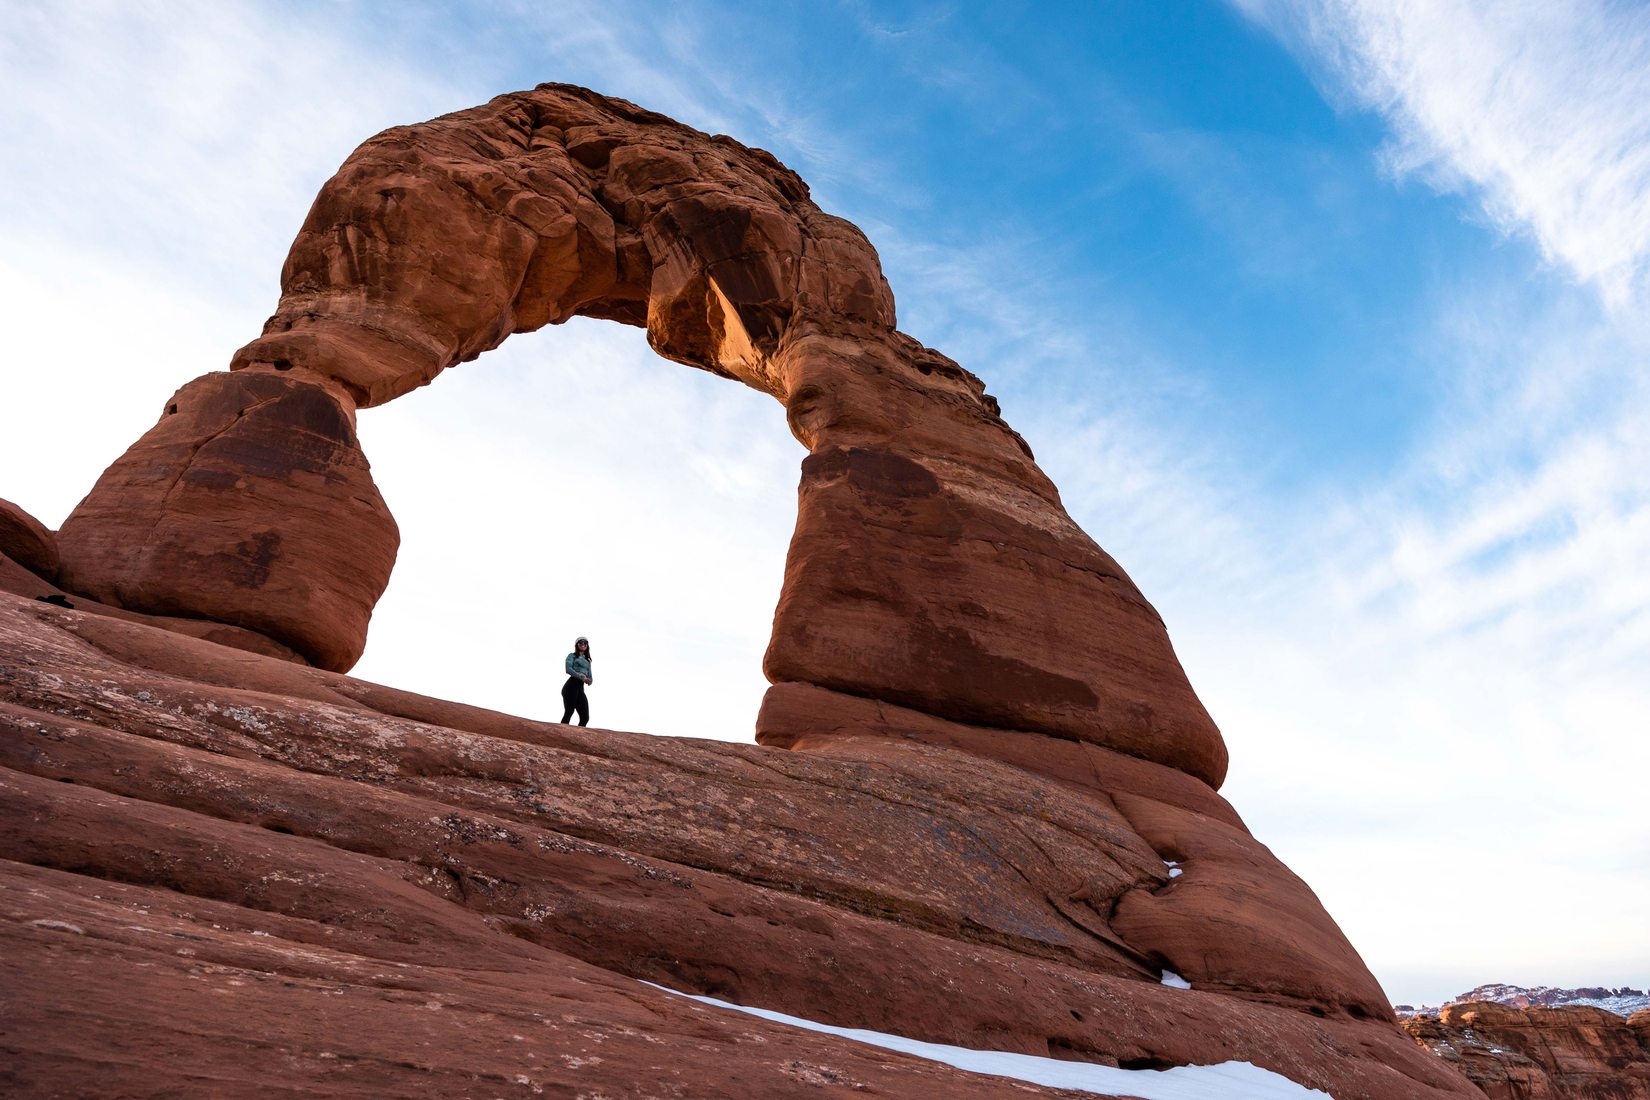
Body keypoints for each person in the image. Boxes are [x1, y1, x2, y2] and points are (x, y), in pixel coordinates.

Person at [560, 635, 593, 725]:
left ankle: (578, 737)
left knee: (585, 717)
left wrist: (589, 680)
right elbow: (568, 669)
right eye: (580, 643)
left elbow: (590, 676)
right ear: (577, 645)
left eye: (585, 643)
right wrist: (581, 677)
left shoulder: (588, 661)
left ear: (587, 645)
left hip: (580, 688)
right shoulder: (572, 656)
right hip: (571, 686)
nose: (583, 644)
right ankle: (561, 735)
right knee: (569, 711)